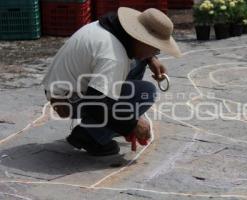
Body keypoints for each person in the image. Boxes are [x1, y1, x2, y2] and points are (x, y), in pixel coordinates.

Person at [42, 7, 181, 156]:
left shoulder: (113, 28)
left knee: (139, 62)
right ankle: (89, 136)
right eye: (155, 50)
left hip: (64, 88)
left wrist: (151, 59)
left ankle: (108, 122)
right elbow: (97, 105)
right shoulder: (114, 57)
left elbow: (136, 50)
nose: (155, 53)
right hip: (69, 101)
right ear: (142, 40)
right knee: (146, 92)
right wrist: (132, 124)